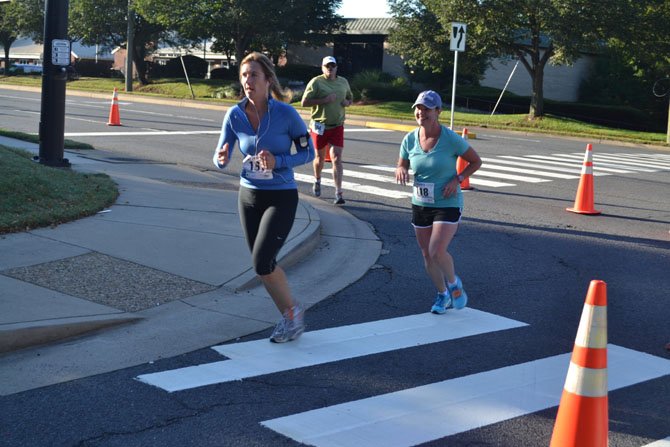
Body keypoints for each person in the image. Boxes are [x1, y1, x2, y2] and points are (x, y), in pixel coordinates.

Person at [213, 52, 315, 343]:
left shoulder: (286, 114)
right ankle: (291, 315)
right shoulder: (234, 114)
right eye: (244, 75)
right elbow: (221, 153)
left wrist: (278, 161)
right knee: (263, 265)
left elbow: (308, 152)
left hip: (280, 196)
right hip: (248, 196)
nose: (248, 81)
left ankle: (292, 314)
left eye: (253, 75)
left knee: (262, 262)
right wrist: (221, 157)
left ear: (268, 80)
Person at [395, 90, 482, 314]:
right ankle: (442, 294)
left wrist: (458, 179)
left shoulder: (450, 138)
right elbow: (402, 162)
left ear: (438, 111)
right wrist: (401, 169)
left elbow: (475, 161)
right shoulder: (410, 138)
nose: (420, 112)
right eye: (418, 108)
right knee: (426, 254)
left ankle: (454, 285)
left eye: (426, 108)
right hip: (421, 203)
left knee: (436, 250)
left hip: (447, 201)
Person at [301, 55, 354, 205]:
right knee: (319, 158)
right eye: (327, 66)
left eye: (333, 66)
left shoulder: (343, 82)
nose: (330, 68)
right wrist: (324, 100)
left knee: (336, 157)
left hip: (337, 125)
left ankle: (338, 193)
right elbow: (304, 102)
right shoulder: (316, 82)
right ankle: (317, 180)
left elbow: (350, 98)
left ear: (336, 67)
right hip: (320, 126)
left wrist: (347, 102)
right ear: (323, 68)